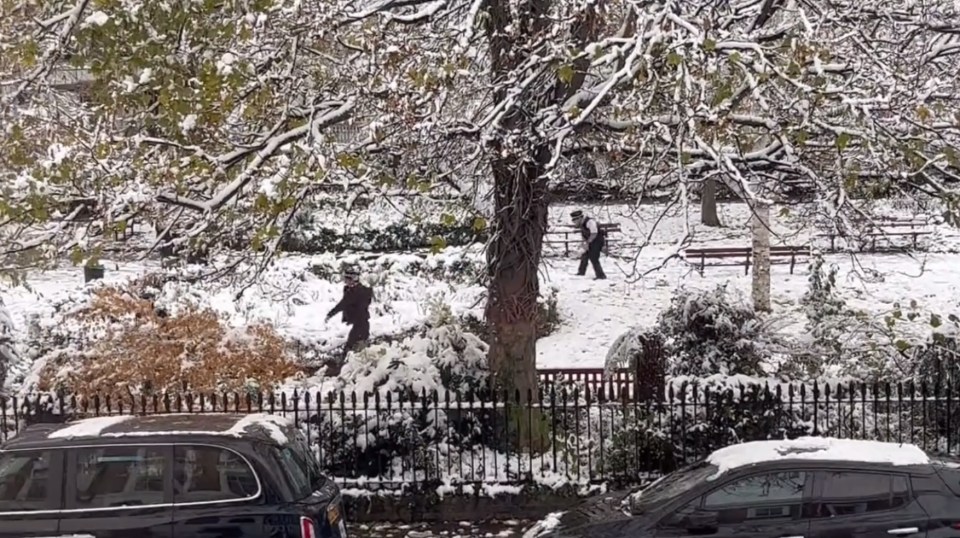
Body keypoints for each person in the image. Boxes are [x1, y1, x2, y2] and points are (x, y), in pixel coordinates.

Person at [325, 267, 374, 363]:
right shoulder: (349, 290)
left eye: (347, 279)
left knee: (354, 346)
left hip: (361, 323)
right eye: (345, 279)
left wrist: (331, 314)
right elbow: (344, 303)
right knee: (353, 346)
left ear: (354, 279)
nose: (345, 281)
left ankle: (347, 365)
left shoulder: (360, 291)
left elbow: (344, 304)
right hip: (358, 323)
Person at [571, 209, 607, 279]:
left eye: (575, 220)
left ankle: (601, 275)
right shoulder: (581, 224)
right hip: (590, 241)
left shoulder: (590, 222)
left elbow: (594, 233)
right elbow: (584, 235)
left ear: (579, 218)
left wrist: (587, 242)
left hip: (597, 241)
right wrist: (584, 244)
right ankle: (581, 272)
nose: (574, 222)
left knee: (594, 258)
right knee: (584, 256)